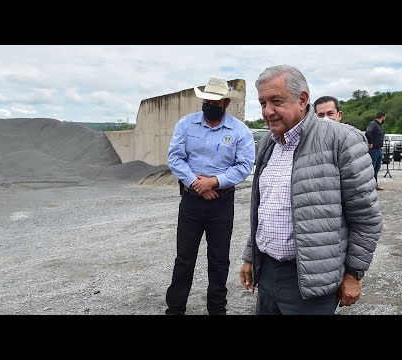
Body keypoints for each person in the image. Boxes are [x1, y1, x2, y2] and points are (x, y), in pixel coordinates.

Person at [239, 65, 382, 315]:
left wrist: (354, 274)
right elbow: (264, 209)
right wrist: (250, 256)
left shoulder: (342, 141)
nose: (267, 111)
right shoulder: (267, 145)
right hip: (268, 274)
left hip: (312, 280)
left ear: (302, 99)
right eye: (262, 103)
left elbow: (366, 217)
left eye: (276, 101)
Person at [165, 76, 255, 315]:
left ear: (225, 103)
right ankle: (175, 309)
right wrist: (197, 184)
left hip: (222, 203)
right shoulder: (186, 124)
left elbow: (244, 166)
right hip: (191, 201)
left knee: (218, 260)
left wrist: (214, 182)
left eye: (215, 101)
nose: (209, 105)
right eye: (207, 100)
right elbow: (175, 158)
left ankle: (217, 309)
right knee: (184, 259)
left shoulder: (239, 131)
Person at [365, 112, 386, 190]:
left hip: (379, 149)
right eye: (384, 118)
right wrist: (370, 142)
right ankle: (369, 185)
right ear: (382, 117)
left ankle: (375, 184)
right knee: (372, 168)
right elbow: (368, 132)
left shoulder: (379, 125)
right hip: (374, 150)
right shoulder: (373, 124)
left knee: (377, 168)